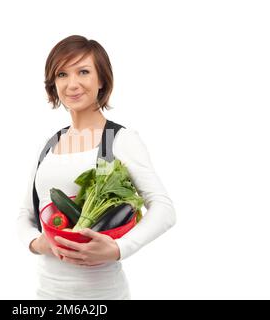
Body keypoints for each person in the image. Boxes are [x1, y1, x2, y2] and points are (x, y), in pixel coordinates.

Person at [16, 35, 176, 300]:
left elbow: (164, 208)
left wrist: (118, 248)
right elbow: (25, 214)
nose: (72, 84)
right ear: (53, 84)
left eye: (84, 72)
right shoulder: (50, 144)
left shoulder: (120, 140)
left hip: (102, 296)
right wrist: (37, 243)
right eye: (62, 74)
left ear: (101, 80)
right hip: (47, 293)